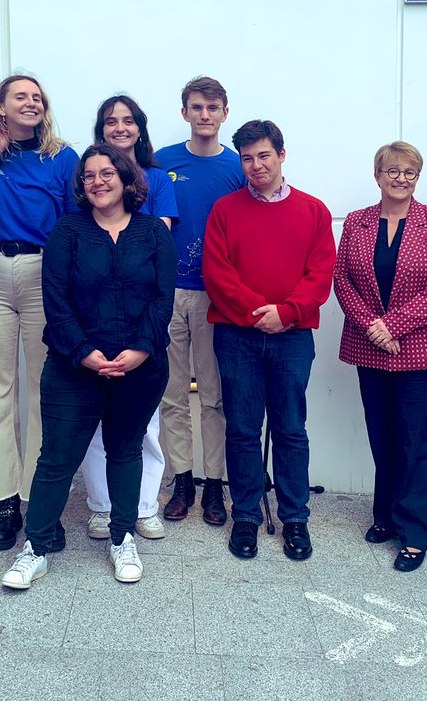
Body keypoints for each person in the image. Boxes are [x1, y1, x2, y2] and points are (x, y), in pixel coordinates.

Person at [2, 145, 175, 588]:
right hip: (72, 367)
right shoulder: (68, 231)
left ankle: (122, 538)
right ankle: (36, 546)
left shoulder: (154, 232)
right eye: (88, 176)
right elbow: (54, 300)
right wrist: (82, 352)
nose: (97, 181)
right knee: (57, 458)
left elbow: (162, 301)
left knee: (124, 450)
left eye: (106, 173)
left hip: (140, 367)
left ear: (126, 179)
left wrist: (140, 350)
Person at [203, 120, 336, 561]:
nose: (256, 165)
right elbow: (217, 273)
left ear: (281, 154)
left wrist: (287, 312)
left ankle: (295, 518)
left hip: (293, 337)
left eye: (264, 155)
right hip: (237, 336)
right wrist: (259, 311)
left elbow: (320, 273)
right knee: (241, 429)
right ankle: (246, 516)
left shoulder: (314, 211)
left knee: (290, 430)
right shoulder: (225, 209)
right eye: (247, 158)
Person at [0, 74, 78, 551]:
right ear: (0, 107)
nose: (30, 102)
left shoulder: (61, 157)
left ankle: (41, 499)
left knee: (46, 388)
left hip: (43, 270)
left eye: (37, 97)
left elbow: (74, 221)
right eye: (19, 96)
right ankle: (6, 502)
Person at [333, 142, 427, 571]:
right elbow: (342, 280)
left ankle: (415, 530)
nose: (400, 178)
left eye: (409, 172)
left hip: (419, 349)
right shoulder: (357, 222)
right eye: (392, 170)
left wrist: (394, 326)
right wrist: (373, 327)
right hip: (371, 347)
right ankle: (384, 516)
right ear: (378, 175)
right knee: (382, 434)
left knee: (417, 440)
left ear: (417, 178)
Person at [79, 95, 178, 542]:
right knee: (98, 420)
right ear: (101, 130)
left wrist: (142, 338)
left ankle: (143, 505)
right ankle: (101, 507)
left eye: (127, 121)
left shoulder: (157, 178)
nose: (120, 128)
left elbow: (157, 246)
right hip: (96, 313)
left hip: (142, 317)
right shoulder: (90, 174)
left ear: (139, 127)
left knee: (145, 423)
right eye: (110, 122)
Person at [154, 76, 245, 526]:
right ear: (184, 112)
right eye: (196, 107)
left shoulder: (238, 167)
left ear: (225, 113)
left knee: (214, 396)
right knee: (171, 394)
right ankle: (182, 480)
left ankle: (214, 485)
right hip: (169, 291)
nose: (205, 114)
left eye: (213, 107)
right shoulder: (163, 161)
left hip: (216, 294)